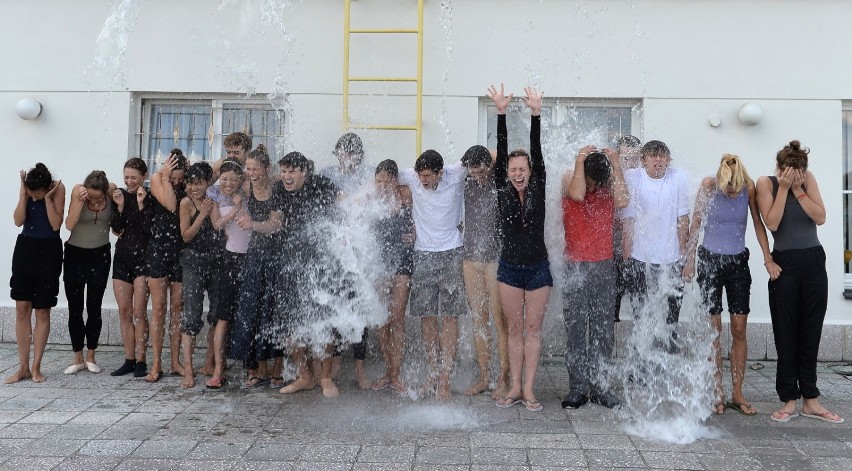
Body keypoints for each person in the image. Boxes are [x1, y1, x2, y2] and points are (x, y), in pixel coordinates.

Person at [756, 140, 843, 424]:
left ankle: (811, 400)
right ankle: (788, 399)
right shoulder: (766, 183)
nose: (795, 175)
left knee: (810, 331)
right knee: (786, 332)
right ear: (779, 167)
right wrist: (783, 188)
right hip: (785, 264)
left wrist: (797, 189)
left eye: (799, 172)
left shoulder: (807, 180)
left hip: (814, 261)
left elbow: (821, 217)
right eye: (789, 172)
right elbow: (773, 223)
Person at [682, 154, 775, 416]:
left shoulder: (749, 187)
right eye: (728, 189)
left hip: (737, 263)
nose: (733, 193)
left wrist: (768, 258)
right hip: (710, 261)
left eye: (735, 188)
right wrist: (690, 261)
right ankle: (717, 392)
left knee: (738, 328)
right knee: (713, 329)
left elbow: (757, 223)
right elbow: (696, 224)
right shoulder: (709, 185)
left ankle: (737, 392)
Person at [488, 84, 551, 412]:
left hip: (539, 268)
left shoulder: (538, 183)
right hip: (510, 268)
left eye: (522, 169)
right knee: (514, 329)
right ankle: (513, 385)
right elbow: (501, 148)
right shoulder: (502, 186)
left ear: (529, 172)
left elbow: (536, 151)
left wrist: (535, 114)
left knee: (532, 330)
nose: (517, 174)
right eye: (512, 170)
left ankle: (529, 388)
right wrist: (501, 113)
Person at [560, 146, 629, 409]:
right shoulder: (570, 177)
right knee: (576, 329)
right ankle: (577, 387)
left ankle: (601, 387)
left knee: (603, 330)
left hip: (603, 265)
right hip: (575, 265)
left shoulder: (608, 185)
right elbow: (577, 193)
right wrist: (580, 160)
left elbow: (623, 201)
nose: (592, 188)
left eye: (596, 183)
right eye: (591, 181)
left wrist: (616, 164)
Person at [396, 149, 468, 400]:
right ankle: (433, 375)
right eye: (420, 176)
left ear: (440, 172)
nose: (422, 180)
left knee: (450, 316)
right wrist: (402, 200)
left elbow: (487, 155)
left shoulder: (456, 174)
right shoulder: (412, 178)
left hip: (452, 252)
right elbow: (385, 176)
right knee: (426, 317)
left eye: (427, 176)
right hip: (423, 254)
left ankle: (445, 379)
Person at [276, 151, 343, 398]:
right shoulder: (280, 190)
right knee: (289, 326)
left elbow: (342, 204)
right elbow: (275, 221)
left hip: (322, 265)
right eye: (283, 171)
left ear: (304, 171)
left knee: (324, 321)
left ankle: (324, 377)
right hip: (292, 265)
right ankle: (305, 376)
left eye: (292, 171)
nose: (286, 176)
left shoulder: (321, 184)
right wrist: (254, 225)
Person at [621, 140, 690, 338]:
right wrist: (627, 258)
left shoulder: (678, 178)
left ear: (668, 160)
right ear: (643, 160)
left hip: (672, 257)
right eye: (652, 155)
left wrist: (685, 258)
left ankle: (669, 358)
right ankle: (642, 362)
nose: (658, 159)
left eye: (662, 156)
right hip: (640, 257)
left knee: (672, 317)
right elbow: (628, 219)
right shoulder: (633, 177)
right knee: (641, 316)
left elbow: (683, 219)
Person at [230, 145, 284, 388]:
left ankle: (277, 369)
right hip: (255, 255)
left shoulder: (277, 188)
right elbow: (220, 179)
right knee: (250, 309)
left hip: (276, 255)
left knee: (273, 310)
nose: (250, 172)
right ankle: (254, 368)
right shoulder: (245, 186)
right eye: (248, 168)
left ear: (266, 168)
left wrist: (252, 224)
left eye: (255, 168)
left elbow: (275, 225)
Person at [320, 132, 371, 388]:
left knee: (360, 307)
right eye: (342, 152)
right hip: (335, 253)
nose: (346, 157)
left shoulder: (367, 176)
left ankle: (360, 368)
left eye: (351, 153)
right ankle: (337, 359)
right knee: (336, 305)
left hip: (359, 253)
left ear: (359, 156)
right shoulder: (326, 174)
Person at [6, 164, 64, 384]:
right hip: (26, 248)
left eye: (35, 193)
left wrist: (47, 199)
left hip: (49, 251)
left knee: (42, 310)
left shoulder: (58, 189)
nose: (34, 197)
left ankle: (36, 366)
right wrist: (23, 193)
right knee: (22, 307)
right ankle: (22, 366)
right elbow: (18, 221)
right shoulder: (27, 190)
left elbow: (56, 224)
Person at [460, 145, 508, 397]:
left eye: (482, 170)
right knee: (478, 320)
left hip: (494, 259)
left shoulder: (500, 180)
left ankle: (503, 378)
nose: (478, 175)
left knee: (499, 320)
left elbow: (505, 154)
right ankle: (484, 376)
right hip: (470, 259)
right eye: (473, 170)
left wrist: (490, 159)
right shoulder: (464, 181)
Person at [62, 170, 115, 375]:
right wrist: (79, 201)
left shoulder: (110, 191)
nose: (94, 200)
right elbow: (69, 224)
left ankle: (91, 355)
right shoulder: (78, 191)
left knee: (94, 306)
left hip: (100, 254)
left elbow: (116, 222)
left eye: (98, 197)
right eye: (90, 196)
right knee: (74, 307)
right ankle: (78, 357)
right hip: (75, 253)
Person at [370, 159, 414, 395]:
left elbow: (423, 218)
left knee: (397, 318)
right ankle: (388, 370)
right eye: (379, 180)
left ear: (396, 180)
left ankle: (396, 373)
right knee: (382, 319)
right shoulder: (371, 199)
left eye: (387, 179)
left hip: (403, 262)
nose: (383, 184)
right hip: (380, 263)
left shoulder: (406, 195)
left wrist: (416, 233)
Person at [178, 163, 224, 388]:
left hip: (215, 263)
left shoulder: (213, 199)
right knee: (191, 317)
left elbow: (218, 228)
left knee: (216, 314)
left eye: (199, 183)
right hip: (193, 265)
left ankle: (208, 363)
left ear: (208, 183)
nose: (195, 188)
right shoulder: (186, 203)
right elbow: (186, 236)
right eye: (191, 183)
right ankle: (188, 369)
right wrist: (201, 215)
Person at [144, 150, 188, 382]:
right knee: (159, 308)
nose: (178, 182)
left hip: (180, 250)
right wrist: (164, 176)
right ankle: (156, 364)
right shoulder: (156, 179)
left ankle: (175, 362)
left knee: (177, 309)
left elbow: (220, 166)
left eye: (180, 179)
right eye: (175, 179)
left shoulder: (188, 183)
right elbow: (171, 204)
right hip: (158, 249)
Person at [207, 159, 250, 389]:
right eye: (224, 179)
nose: (228, 183)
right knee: (223, 316)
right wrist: (235, 208)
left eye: (234, 179)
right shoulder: (215, 197)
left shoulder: (248, 194)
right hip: (228, 259)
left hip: (249, 258)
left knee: (247, 312)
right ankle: (217, 368)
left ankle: (250, 367)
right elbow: (217, 225)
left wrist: (242, 203)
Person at [110, 158, 152, 377]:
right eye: (126, 177)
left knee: (139, 312)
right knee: (124, 311)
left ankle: (142, 360)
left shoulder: (150, 196)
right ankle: (129, 359)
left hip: (143, 259)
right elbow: (117, 229)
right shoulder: (120, 196)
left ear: (143, 176)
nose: (129, 181)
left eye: (133, 177)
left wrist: (142, 203)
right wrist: (119, 207)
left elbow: (148, 229)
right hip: (122, 257)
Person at [613, 135, 642, 322]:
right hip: (611, 251)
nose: (630, 163)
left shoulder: (643, 180)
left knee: (639, 305)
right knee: (611, 304)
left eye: (634, 158)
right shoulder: (610, 178)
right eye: (625, 158)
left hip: (638, 252)